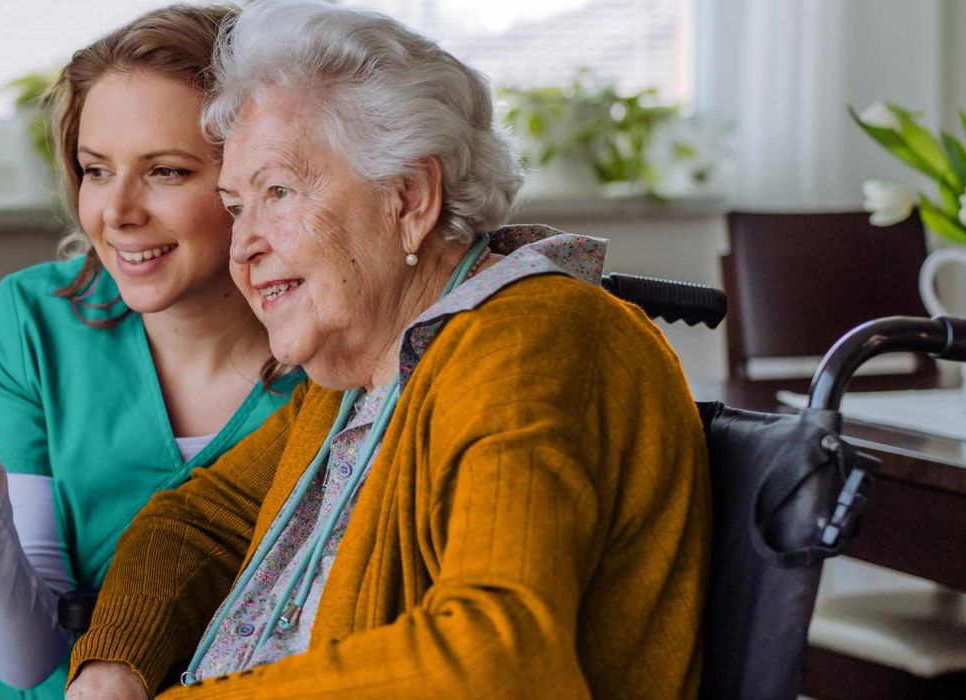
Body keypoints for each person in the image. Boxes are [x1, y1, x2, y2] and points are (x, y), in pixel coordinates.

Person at [64, 2, 711, 698]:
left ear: (409, 198)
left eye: (278, 192)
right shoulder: (365, 373)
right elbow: (193, 522)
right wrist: (113, 672)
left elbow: (495, 656)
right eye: (235, 206)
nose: (244, 247)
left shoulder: (529, 342)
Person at [0, 5, 304, 698]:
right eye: (95, 170)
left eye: (166, 172)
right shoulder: (34, 323)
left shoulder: (331, 348)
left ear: (259, 181)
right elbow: (22, 662)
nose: (116, 212)